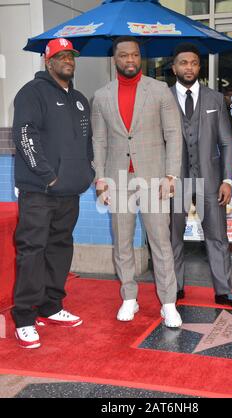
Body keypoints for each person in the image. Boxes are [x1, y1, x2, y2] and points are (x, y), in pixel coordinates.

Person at [92, 36, 183, 328]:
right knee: (122, 241)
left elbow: (173, 135)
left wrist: (171, 175)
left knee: (160, 241)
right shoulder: (102, 96)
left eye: (134, 55)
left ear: (139, 57)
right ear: (114, 59)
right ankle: (128, 296)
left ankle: (168, 303)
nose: (129, 60)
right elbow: (99, 140)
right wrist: (100, 180)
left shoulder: (158, 91)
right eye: (123, 56)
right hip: (118, 179)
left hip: (155, 177)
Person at [12, 38, 95, 349]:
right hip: (39, 191)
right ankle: (23, 317)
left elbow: (86, 142)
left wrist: (87, 172)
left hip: (69, 192)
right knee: (32, 250)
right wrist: (48, 176)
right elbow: (24, 135)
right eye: (60, 56)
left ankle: (50, 305)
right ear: (48, 61)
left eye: (70, 56)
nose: (67, 61)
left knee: (60, 246)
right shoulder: (31, 93)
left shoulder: (79, 99)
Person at [170, 43, 232, 312]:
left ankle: (224, 292)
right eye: (184, 63)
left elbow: (227, 142)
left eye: (194, 63)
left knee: (217, 237)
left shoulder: (215, 98)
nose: (189, 67)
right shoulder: (163, 98)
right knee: (173, 237)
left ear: (199, 67)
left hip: (210, 179)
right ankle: (174, 287)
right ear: (174, 67)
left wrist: (228, 180)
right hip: (176, 181)